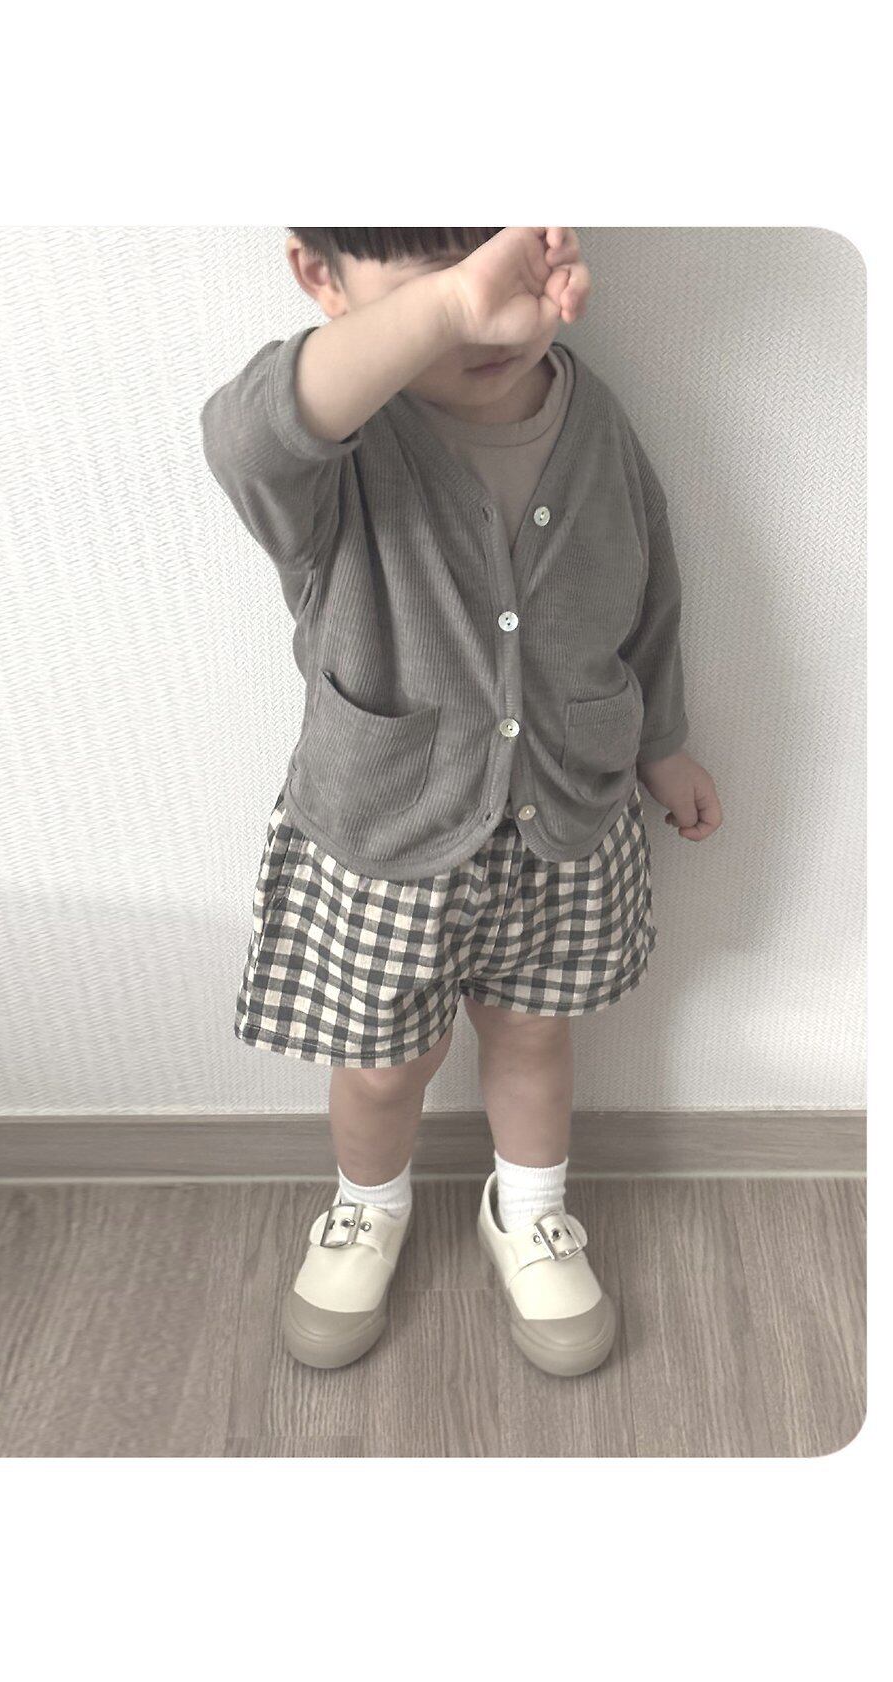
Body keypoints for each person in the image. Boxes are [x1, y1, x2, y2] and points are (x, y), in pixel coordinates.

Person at [199, 227, 722, 1378]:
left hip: (564, 820)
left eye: (499, 268)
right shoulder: (337, 455)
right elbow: (241, 436)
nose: (482, 313)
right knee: (382, 1062)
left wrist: (662, 744)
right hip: (388, 830)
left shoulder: (597, 424)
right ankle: (365, 1207)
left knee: (532, 1034)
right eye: (432, 285)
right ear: (320, 277)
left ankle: (528, 1210)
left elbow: (646, 594)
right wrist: (444, 311)